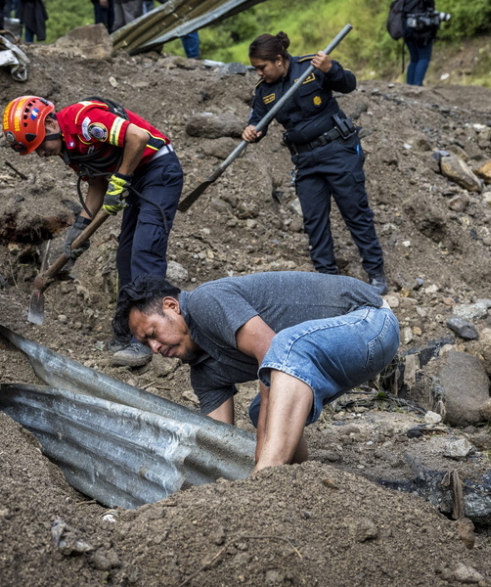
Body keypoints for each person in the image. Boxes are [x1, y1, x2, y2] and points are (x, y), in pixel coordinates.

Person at [114, 271, 400, 471]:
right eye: (145, 343)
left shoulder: (205, 302)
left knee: (284, 348)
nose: (154, 347)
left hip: (369, 321)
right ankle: (297, 480)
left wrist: (261, 462)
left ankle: (270, 475)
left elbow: (270, 350)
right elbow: (219, 442)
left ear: (171, 306)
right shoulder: (203, 373)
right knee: (259, 412)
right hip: (338, 355)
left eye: (152, 332)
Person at [2, 96, 183, 367]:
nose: (40, 154)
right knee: (125, 257)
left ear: (50, 123)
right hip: (136, 178)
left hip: (159, 170)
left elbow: (138, 136)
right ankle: (129, 333)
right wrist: (80, 227)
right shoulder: (68, 149)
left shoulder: (83, 121)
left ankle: (152, 338)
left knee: (146, 252)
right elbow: (97, 184)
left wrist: (120, 179)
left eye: (39, 144)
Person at [242, 32, 389, 295]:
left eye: (261, 67)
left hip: (338, 150)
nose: (259, 73)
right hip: (305, 161)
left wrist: (331, 69)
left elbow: (349, 84)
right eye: (255, 69)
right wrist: (252, 130)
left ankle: (375, 272)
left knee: (355, 212)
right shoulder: (264, 91)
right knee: (314, 220)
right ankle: (327, 282)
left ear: (278, 59)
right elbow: (257, 121)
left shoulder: (311, 66)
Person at [402, 0, 440, 86]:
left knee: (414, 58)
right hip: (421, 29)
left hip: (406, 28)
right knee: (424, 57)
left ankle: (409, 85)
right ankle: (417, 84)